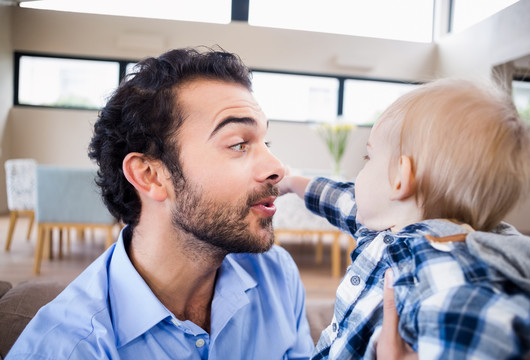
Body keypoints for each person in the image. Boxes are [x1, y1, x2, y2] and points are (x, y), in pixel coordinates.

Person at [7, 47, 315, 359]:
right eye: (238, 144)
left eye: (266, 143)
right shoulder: (70, 348)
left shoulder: (276, 274)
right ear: (150, 175)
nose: (277, 167)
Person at [279, 78, 530, 359]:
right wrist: (293, 182)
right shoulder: (391, 227)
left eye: (368, 158)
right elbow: (341, 200)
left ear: (401, 179)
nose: (358, 176)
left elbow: (478, 335)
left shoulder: (443, 266)